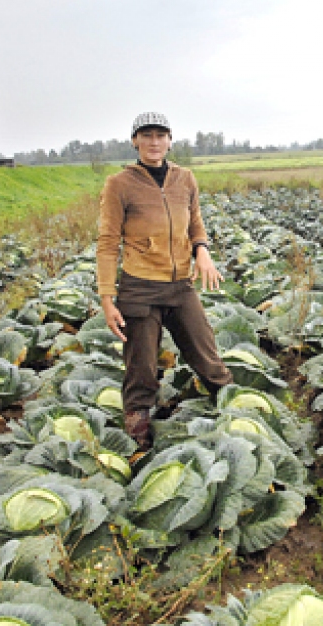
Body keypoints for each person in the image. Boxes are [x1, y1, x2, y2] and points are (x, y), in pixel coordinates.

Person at [96, 112, 232, 450]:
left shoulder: (185, 179)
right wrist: (107, 298)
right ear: (135, 141)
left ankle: (236, 413)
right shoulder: (119, 184)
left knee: (207, 356)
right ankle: (138, 440)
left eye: (160, 135)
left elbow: (195, 222)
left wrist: (202, 250)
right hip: (139, 287)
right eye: (147, 135)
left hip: (180, 284)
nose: (154, 142)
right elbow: (108, 242)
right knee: (141, 367)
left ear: (170, 140)